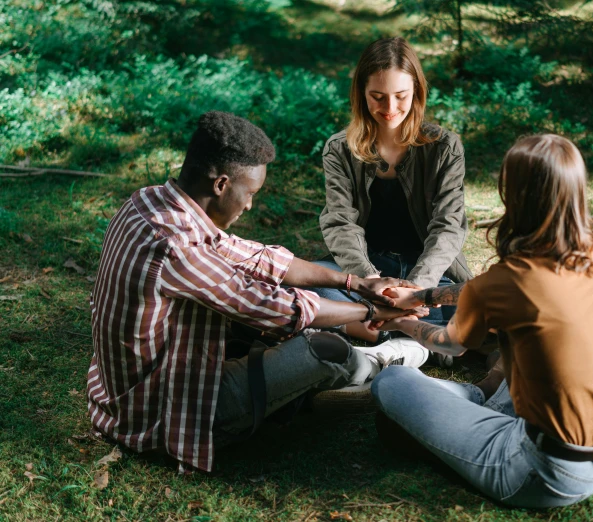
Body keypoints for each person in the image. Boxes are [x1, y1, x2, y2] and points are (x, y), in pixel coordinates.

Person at [86, 111, 425, 473]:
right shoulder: (175, 246)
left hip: (134, 391)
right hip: (166, 413)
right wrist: (371, 313)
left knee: (294, 302)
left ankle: (306, 392)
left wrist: (356, 283)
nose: (249, 205)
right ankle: (374, 362)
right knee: (325, 348)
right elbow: (273, 306)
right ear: (221, 185)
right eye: (249, 193)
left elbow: (257, 258)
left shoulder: (150, 203)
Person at [370, 134, 593, 508]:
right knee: (522, 353)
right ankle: (478, 399)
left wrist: (399, 322)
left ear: (512, 194)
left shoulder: (510, 280)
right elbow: (483, 292)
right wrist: (421, 297)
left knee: (392, 382)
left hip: (547, 473)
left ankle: (469, 402)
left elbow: (450, 343)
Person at [314, 36, 472, 345]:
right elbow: (340, 223)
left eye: (401, 96)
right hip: (366, 270)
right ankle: (412, 333)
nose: (390, 108)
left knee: (484, 305)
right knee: (306, 287)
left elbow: (448, 227)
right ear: (361, 93)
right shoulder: (339, 149)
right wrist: (370, 281)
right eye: (377, 96)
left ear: (417, 92)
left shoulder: (445, 147)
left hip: (429, 271)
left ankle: (375, 323)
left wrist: (417, 290)